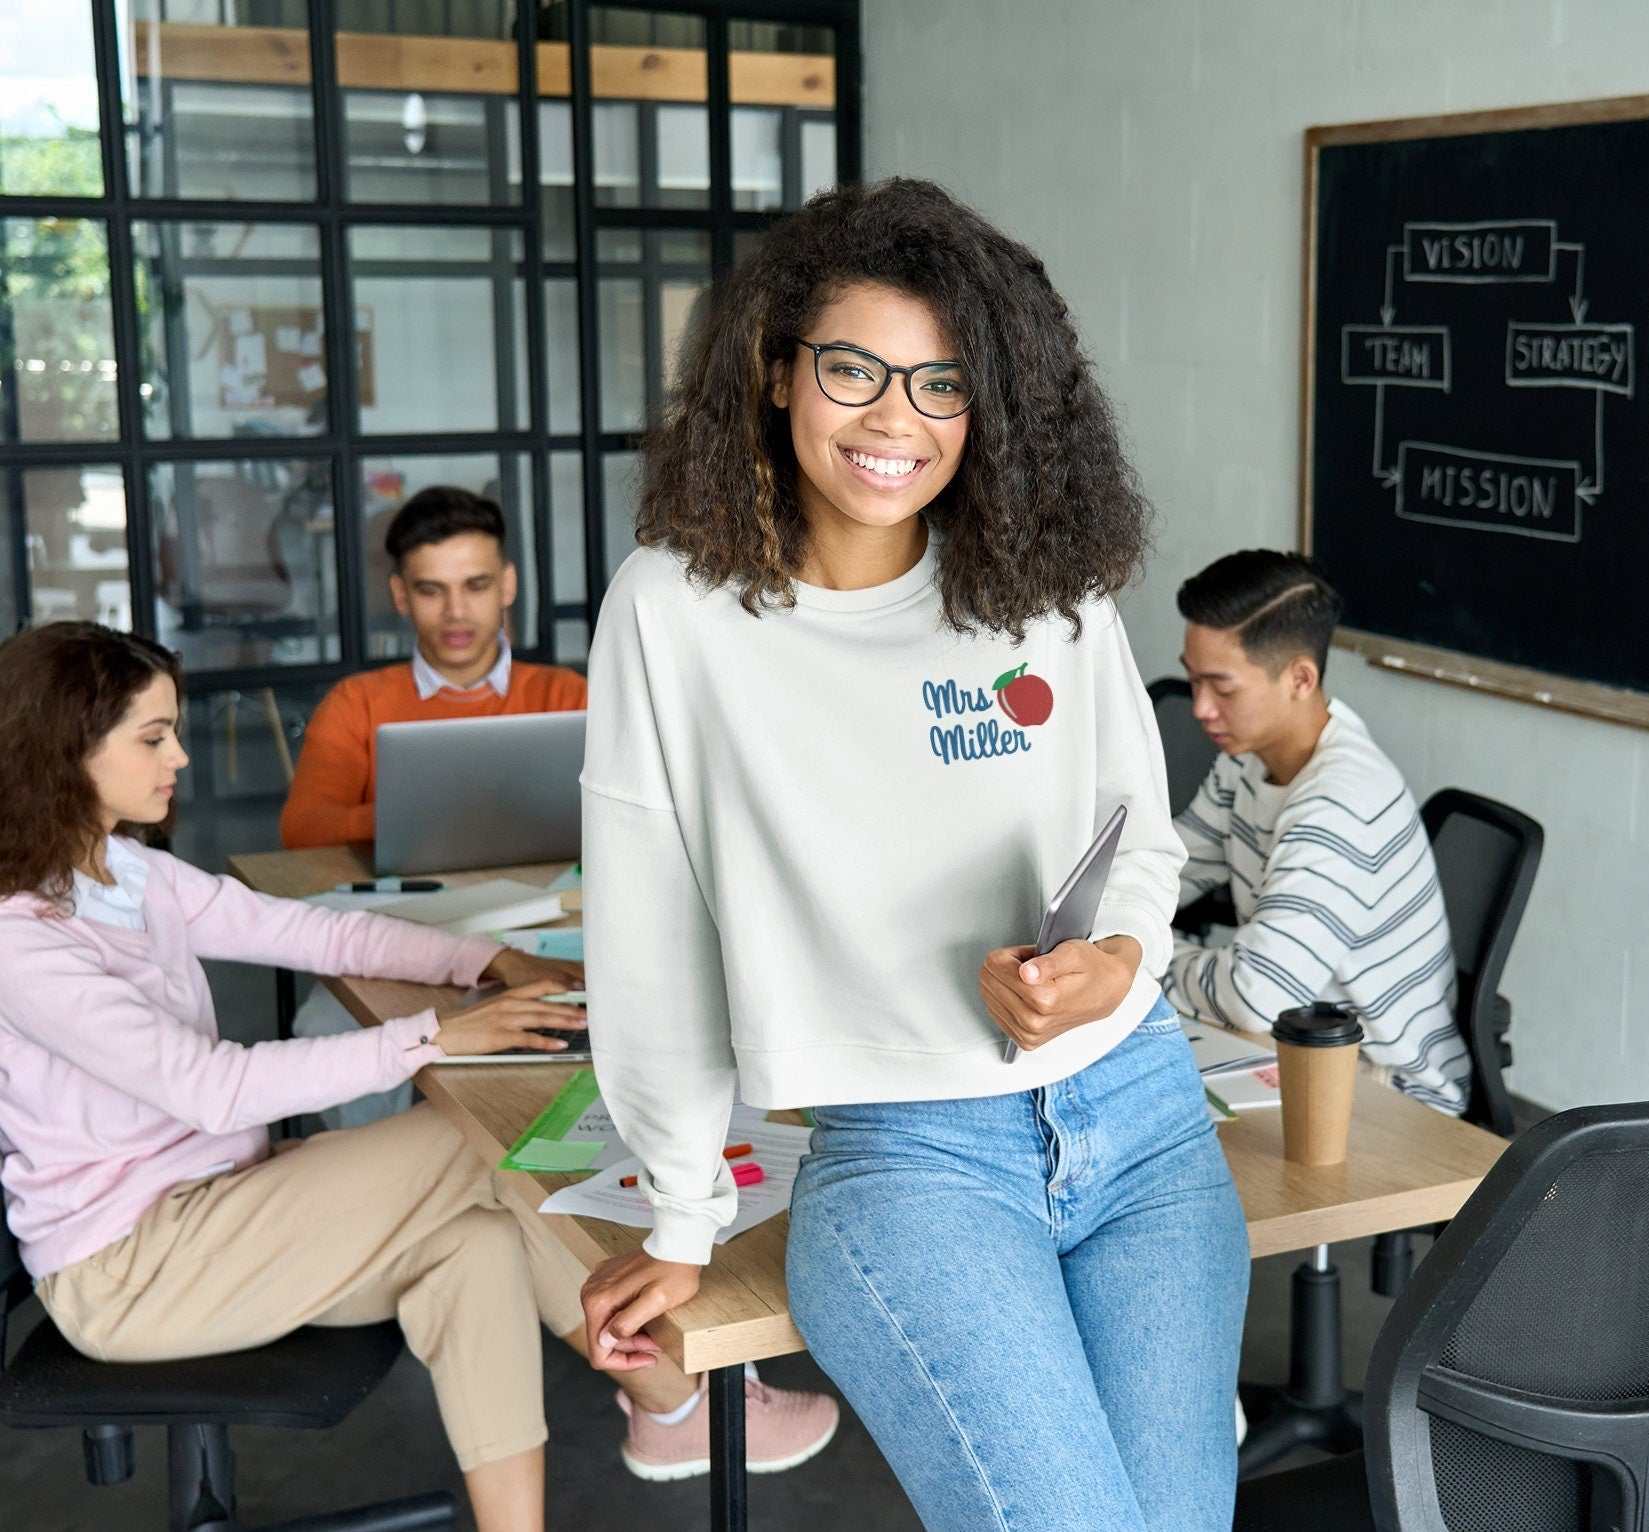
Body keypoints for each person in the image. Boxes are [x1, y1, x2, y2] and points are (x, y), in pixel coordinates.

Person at [575, 178, 1249, 1532]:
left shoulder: (1042, 577)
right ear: (776, 374)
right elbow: (649, 928)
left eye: (942, 384)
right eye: (854, 371)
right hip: (912, 1160)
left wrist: (1113, 961)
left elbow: (1136, 834)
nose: (896, 419)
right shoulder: (676, 607)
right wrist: (682, 1213)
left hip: (1145, 1120)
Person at [0, 624, 836, 1530]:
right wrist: (435, 1034)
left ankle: (622, 1452)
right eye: (153, 736)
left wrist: (489, 960)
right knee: (469, 1137)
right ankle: (680, 1396)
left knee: (475, 1247)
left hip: (220, 1207)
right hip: (131, 1270)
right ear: (64, 752)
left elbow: (314, 932)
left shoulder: (125, 871)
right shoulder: (21, 937)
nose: (182, 757)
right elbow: (212, 1087)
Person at [1162, 550, 1470, 1114]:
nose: (1200, 707)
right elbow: (1166, 868)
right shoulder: (1248, 759)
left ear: (1301, 678)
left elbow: (1257, 994)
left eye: (1222, 688)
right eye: (1192, 679)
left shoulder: (1340, 803)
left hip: (1385, 1089)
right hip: (1288, 1046)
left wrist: (1133, 957)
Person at [279, 485, 586, 850]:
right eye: (430, 590)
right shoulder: (355, 703)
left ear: (507, 586)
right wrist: (433, 814)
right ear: (400, 595)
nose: (455, 612)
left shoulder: (569, 696)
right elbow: (303, 828)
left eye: (476, 586)